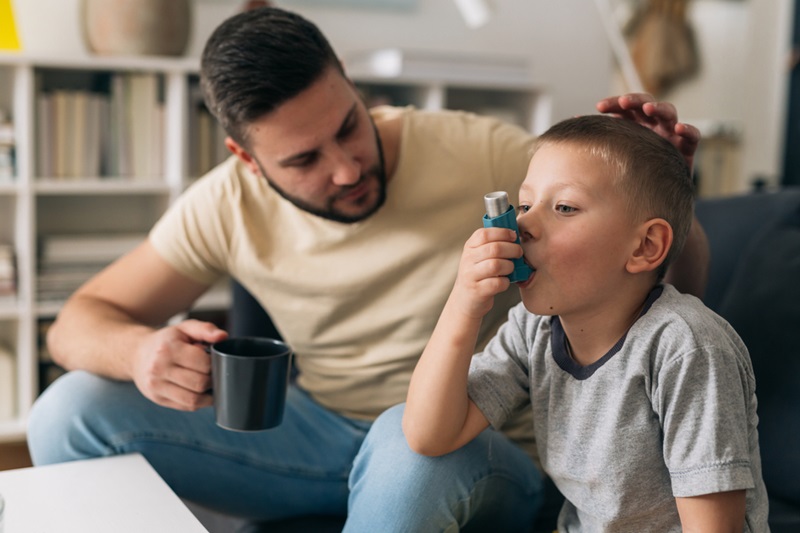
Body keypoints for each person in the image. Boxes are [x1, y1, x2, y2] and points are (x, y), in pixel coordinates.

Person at [27, 6, 707, 531]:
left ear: (351, 85)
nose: (348, 167)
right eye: (304, 160)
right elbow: (79, 321)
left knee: (407, 437)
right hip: (319, 433)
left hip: (472, 445)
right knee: (68, 411)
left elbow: (660, 279)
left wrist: (670, 193)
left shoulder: (479, 152)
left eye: (349, 126)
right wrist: (141, 350)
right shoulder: (223, 205)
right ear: (245, 156)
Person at [402, 114, 768, 531]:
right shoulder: (533, 330)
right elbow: (427, 435)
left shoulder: (686, 348)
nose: (521, 225)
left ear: (645, 246)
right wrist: (463, 305)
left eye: (564, 207)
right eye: (524, 205)